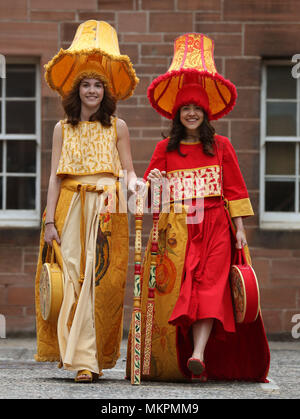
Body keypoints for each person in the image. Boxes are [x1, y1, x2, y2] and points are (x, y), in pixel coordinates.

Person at [126, 33, 270, 383]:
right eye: (185, 108)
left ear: (206, 114)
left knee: (210, 289)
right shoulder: (165, 149)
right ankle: (180, 355)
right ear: (178, 114)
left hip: (217, 225)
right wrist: (143, 187)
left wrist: (239, 230)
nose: (191, 113)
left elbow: (234, 190)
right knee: (182, 290)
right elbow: (147, 192)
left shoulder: (221, 146)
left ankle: (198, 355)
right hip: (177, 229)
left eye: (197, 109)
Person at [35, 20, 141, 382]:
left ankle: (88, 361)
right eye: (86, 84)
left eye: (98, 85)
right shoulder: (61, 129)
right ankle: (76, 356)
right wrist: (49, 220)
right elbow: (54, 176)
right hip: (68, 205)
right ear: (76, 90)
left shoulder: (119, 127)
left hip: (109, 209)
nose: (92, 90)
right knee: (73, 278)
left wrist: (137, 187)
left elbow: (127, 170)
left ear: (105, 91)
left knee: (102, 282)